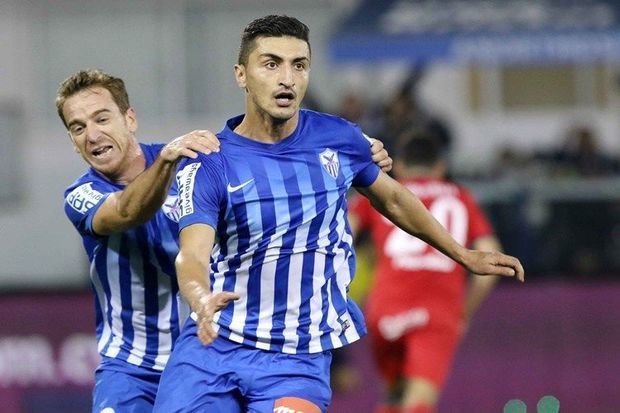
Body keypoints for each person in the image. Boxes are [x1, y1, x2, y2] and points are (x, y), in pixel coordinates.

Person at [153, 15, 523, 413]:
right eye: (271, 64)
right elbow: (191, 254)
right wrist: (200, 298)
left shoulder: (340, 138)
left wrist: (461, 254)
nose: (287, 79)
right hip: (213, 347)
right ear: (241, 75)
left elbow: (394, 200)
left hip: (298, 360)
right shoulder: (210, 161)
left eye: (299, 65)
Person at [56, 68, 392, 413]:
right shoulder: (82, 194)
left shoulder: (194, 166)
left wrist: (357, 151)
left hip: (214, 356)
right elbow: (126, 211)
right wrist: (167, 162)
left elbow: (275, 176)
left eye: (101, 119)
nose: (92, 135)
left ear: (129, 119)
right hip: (132, 370)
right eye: (78, 128)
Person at [349, 131, 503, 413]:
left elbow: (342, 231)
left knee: (393, 398)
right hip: (436, 311)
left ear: (400, 166)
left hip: (385, 309)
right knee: (418, 403)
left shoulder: (382, 191)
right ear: (440, 167)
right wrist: (464, 313)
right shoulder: (461, 197)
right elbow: (490, 257)